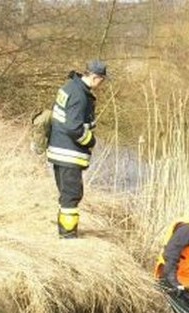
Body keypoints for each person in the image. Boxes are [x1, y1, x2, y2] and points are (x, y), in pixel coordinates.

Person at [46, 59, 108, 239]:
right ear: (95, 77)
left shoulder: (69, 87)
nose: (101, 84)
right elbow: (73, 127)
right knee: (71, 196)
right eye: (102, 80)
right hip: (68, 154)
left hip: (59, 149)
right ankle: (68, 235)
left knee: (66, 195)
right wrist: (90, 140)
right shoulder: (80, 95)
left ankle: (65, 231)